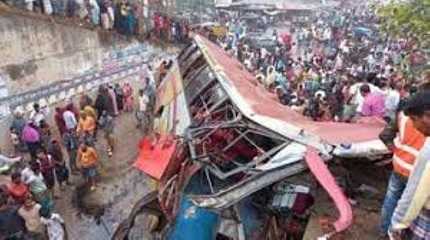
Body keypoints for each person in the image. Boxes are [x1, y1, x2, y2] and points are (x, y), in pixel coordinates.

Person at [388, 90, 430, 239]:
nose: (414, 125)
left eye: (414, 119)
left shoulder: (428, 150)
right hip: (407, 167)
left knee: (392, 199)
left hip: (401, 166)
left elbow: (415, 193)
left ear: (426, 115)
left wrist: (397, 224)